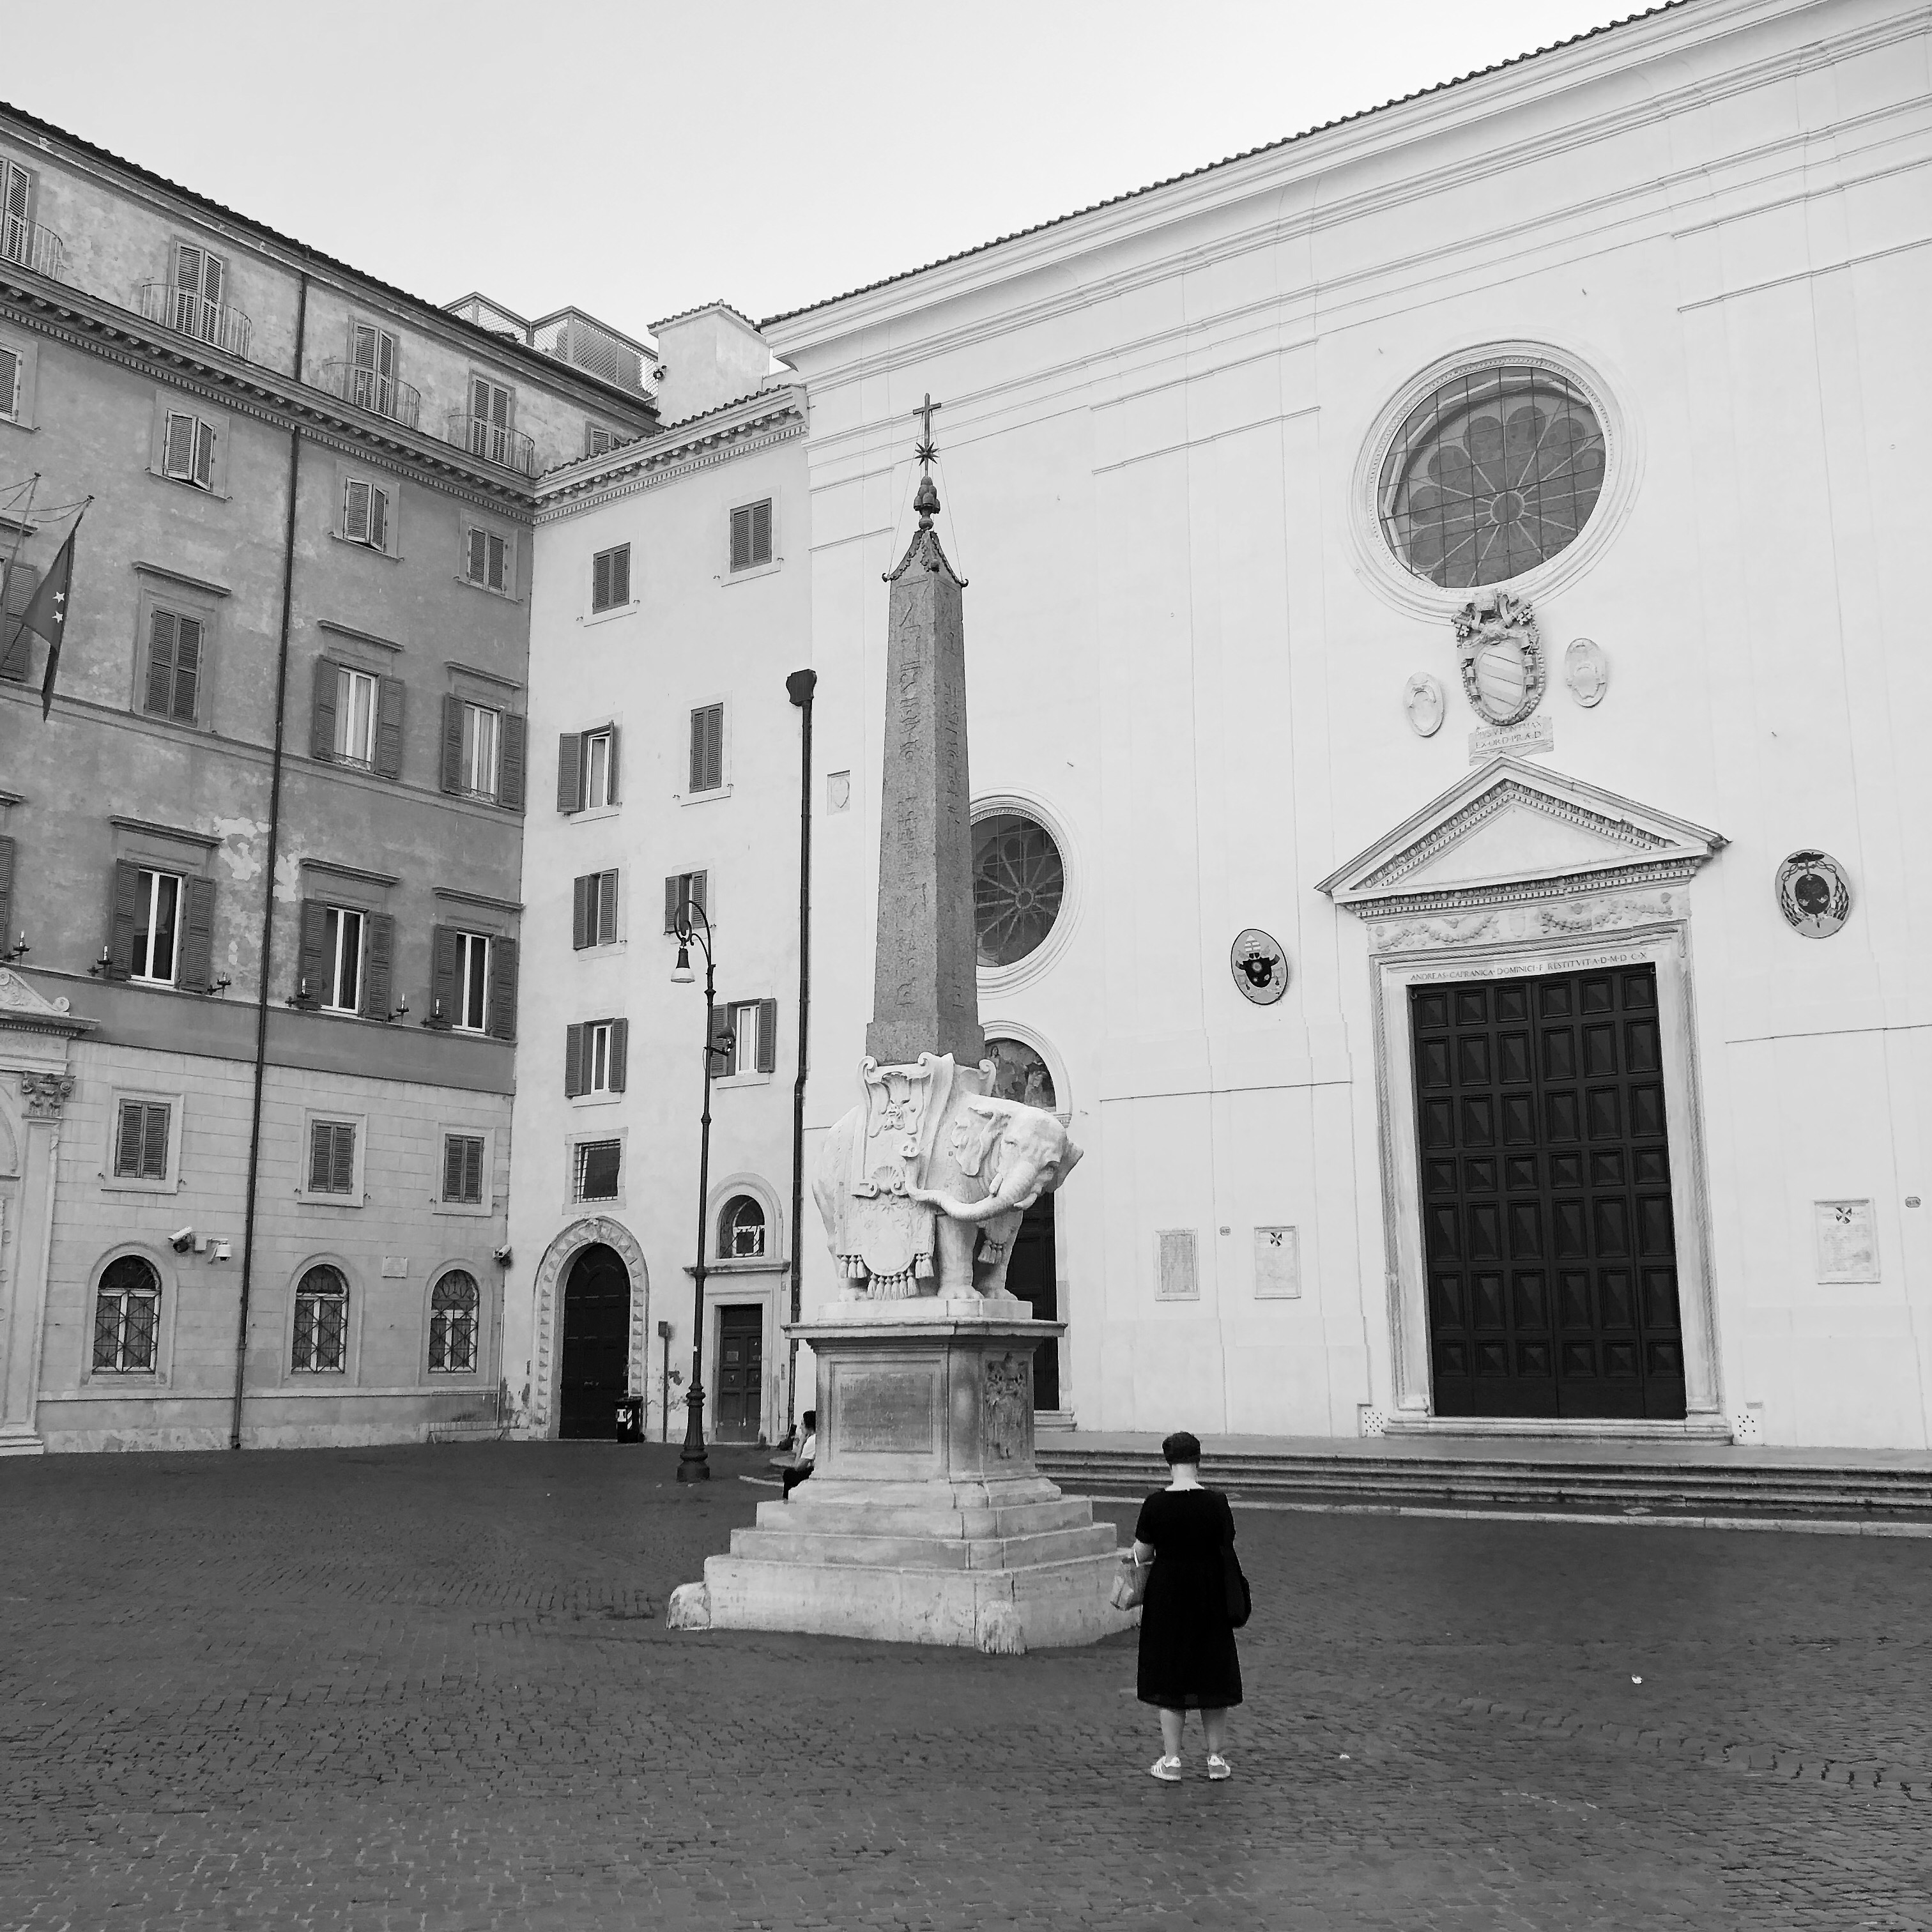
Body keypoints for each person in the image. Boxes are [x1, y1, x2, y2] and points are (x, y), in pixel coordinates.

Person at [1131, 1429, 1241, 1781]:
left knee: (1170, 1673)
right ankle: (1216, 1759)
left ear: (1168, 1462)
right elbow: (1226, 1540)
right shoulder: (1216, 1502)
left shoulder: (1155, 1504)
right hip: (1210, 1592)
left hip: (1169, 1594)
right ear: (1198, 1460)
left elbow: (1143, 1552)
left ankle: (1172, 1760)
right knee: (1212, 1672)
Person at [782, 1409, 817, 1499]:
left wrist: (801, 1443)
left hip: (813, 1471)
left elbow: (798, 1467)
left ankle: (786, 1499)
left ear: (808, 1426)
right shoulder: (815, 1438)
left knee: (788, 1474)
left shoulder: (811, 1441)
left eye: (802, 1424)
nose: (801, 1428)